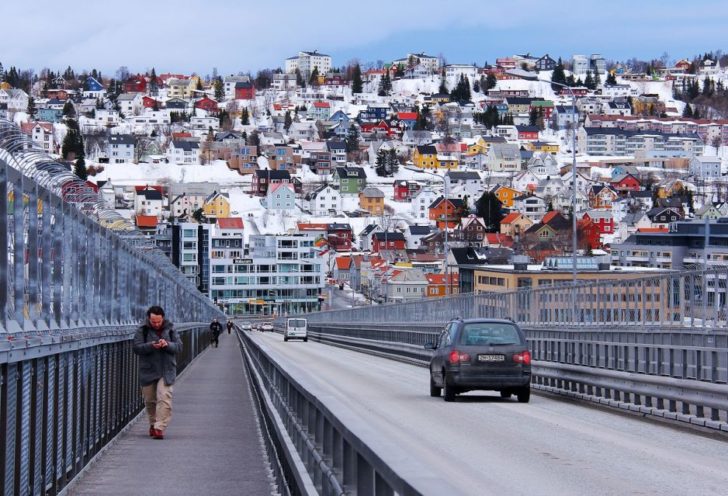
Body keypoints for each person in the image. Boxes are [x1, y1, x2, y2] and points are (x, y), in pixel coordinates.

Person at [133, 306, 182, 441]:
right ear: (149, 319)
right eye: (153, 322)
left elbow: (179, 346)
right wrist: (151, 345)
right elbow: (136, 348)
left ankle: (159, 428)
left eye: (159, 321)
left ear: (163, 318)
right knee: (150, 401)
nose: (156, 324)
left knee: (164, 397)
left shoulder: (171, 328)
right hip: (148, 370)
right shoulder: (142, 330)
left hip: (166, 370)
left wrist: (167, 344)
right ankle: (153, 423)